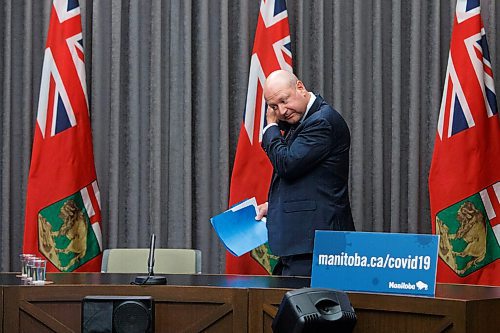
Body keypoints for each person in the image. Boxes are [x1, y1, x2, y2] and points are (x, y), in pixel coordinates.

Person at [255, 70, 355, 277]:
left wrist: (270, 127)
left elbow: (288, 164)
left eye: (284, 101)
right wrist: (274, 206)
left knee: (309, 308)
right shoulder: (302, 121)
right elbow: (307, 182)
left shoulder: (322, 121)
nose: (281, 111)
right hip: (302, 244)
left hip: (317, 245)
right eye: (274, 107)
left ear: (300, 87)